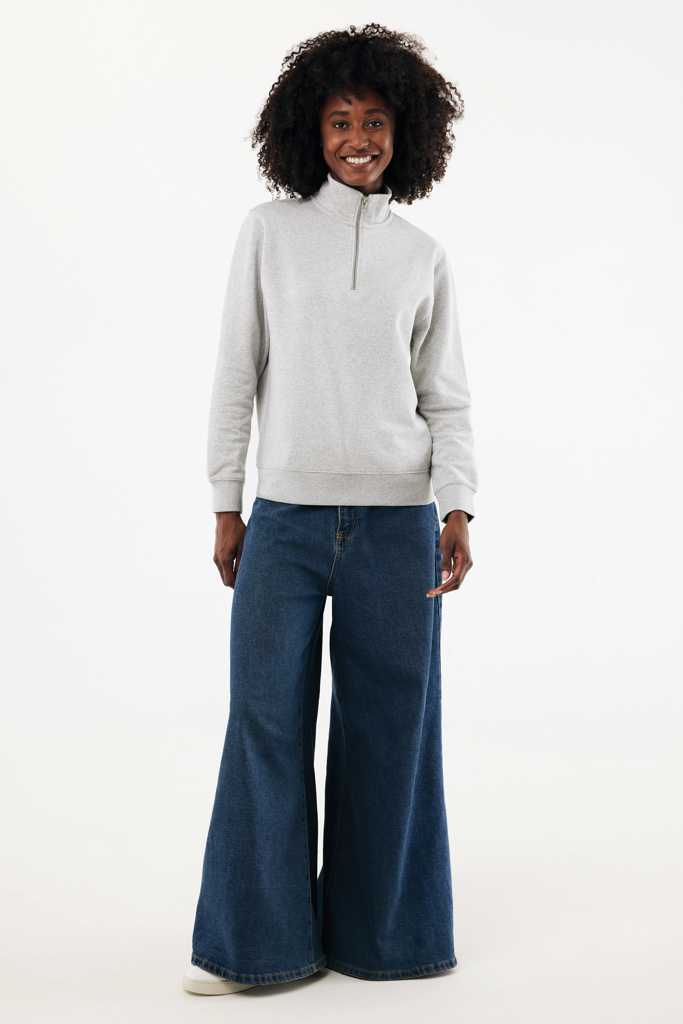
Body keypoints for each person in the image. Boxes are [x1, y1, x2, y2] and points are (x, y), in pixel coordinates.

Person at [183, 23, 478, 995]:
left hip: (398, 522)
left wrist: (457, 509)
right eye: (341, 120)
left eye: (376, 121)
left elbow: (445, 397)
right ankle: (257, 948)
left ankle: (385, 940)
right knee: (264, 720)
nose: (359, 138)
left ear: (405, 132)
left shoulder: (422, 255)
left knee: (394, 729)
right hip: (286, 519)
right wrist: (226, 503)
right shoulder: (268, 234)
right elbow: (235, 373)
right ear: (309, 131)